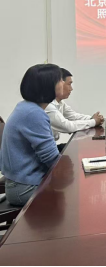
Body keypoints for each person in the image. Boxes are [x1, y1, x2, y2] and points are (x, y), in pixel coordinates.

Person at [0, 64, 62, 206]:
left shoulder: (27, 107)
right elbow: (51, 159)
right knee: (74, 192)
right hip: (25, 188)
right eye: (60, 80)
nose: (63, 83)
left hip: (21, 183)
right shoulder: (33, 113)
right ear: (48, 86)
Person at [45, 68, 104, 142]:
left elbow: (73, 116)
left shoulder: (60, 103)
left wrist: (91, 118)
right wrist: (94, 121)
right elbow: (67, 126)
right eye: (69, 84)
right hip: (46, 148)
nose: (71, 88)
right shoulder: (48, 105)